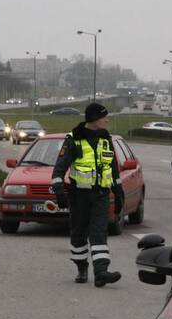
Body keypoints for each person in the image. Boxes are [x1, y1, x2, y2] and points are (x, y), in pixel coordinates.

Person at [51, 102, 123, 287]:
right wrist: (59, 192)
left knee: (99, 233)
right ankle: (81, 268)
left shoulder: (105, 138)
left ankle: (101, 273)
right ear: (93, 119)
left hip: (101, 195)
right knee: (79, 234)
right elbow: (59, 170)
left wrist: (118, 190)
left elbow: (112, 168)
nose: (107, 120)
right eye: (103, 117)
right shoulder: (73, 139)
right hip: (80, 196)